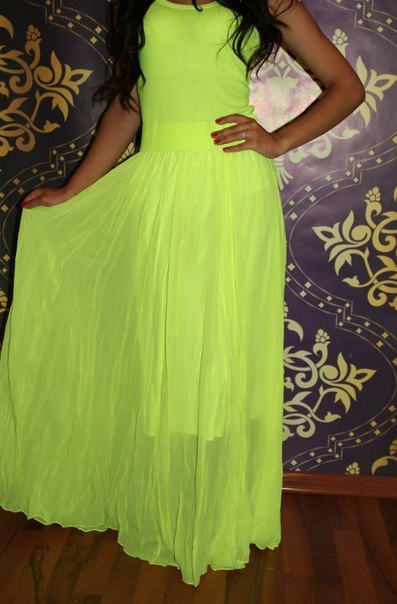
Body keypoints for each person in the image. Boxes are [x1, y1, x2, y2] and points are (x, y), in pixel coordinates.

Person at [0, 0, 364, 587]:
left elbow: (346, 86)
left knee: (219, 349)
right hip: (157, 189)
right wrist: (72, 191)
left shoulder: (265, 1)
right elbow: (132, 104)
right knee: (162, 346)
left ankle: (215, 510)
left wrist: (277, 140)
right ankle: (162, 501)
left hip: (230, 188)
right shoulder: (139, 3)